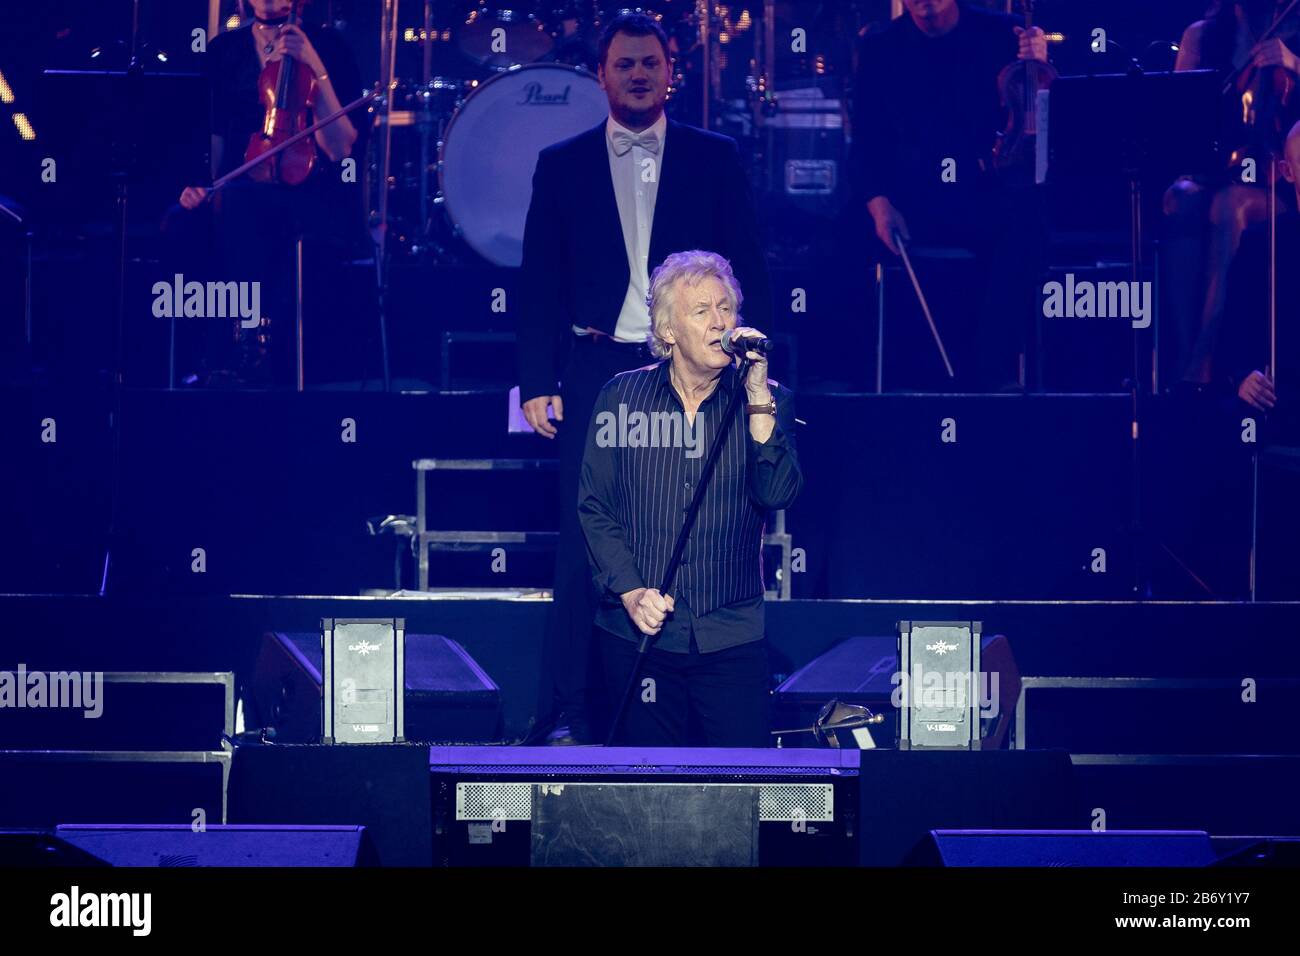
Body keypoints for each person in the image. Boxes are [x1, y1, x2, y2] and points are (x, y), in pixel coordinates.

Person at [517, 13, 772, 744]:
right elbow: (539, 281)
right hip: (599, 362)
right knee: (585, 536)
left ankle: (698, 700)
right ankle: (569, 713)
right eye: (624, 63)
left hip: (690, 365)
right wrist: (537, 379)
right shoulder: (561, 163)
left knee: (697, 522)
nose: (637, 74)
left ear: (670, 73)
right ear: (601, 74)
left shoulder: (713, 157)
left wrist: (755, 361)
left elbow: (747, 266)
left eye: (650, 63)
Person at [578, 251, 801, 747]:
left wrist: (758, 395)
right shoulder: (621, 399)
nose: (721, 322)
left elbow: (778, 492)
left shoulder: (766, 399)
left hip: (731, 633)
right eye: (702, 311)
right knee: (645, 791)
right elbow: (596, 507)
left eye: (727, 309)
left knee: (744, 789)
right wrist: (631, 592)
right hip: (639, 633)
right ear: (669, 330)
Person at [850, 0, 1049, 391]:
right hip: (912, 198)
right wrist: (879, 203)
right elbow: (865, 140)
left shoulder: (1004, 35)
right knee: (842, 238)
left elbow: (1040, 116)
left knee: (1027, 223)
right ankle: (862, 383)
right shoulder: (879, 48)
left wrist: (1038, 63)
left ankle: (993, 371)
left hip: (983, 191)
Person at [168, 0, 365, 385]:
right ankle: (192, 353)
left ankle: (248, 338)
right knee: (181, 220)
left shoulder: (329, 45)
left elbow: (341, 146)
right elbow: (214, 137)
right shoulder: (224, 51)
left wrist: (314, 65)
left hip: (309, 191)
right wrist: (202, 185)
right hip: (239, 184)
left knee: (241, 207)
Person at [1165, 0, 1300, 385]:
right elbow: (1177, 119)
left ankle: (1207, 359)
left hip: (1281, 184)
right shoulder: (1201, 36)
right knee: (1184, 199)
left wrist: (1294, 63)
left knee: (1230, 206)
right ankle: (1182, 356)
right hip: (1215, 174)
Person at [1220, 119, 1300, 442]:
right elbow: (1233, 329)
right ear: (1288, 171)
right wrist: (1243, 376)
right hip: (1285, 396)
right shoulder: (1262, 242)